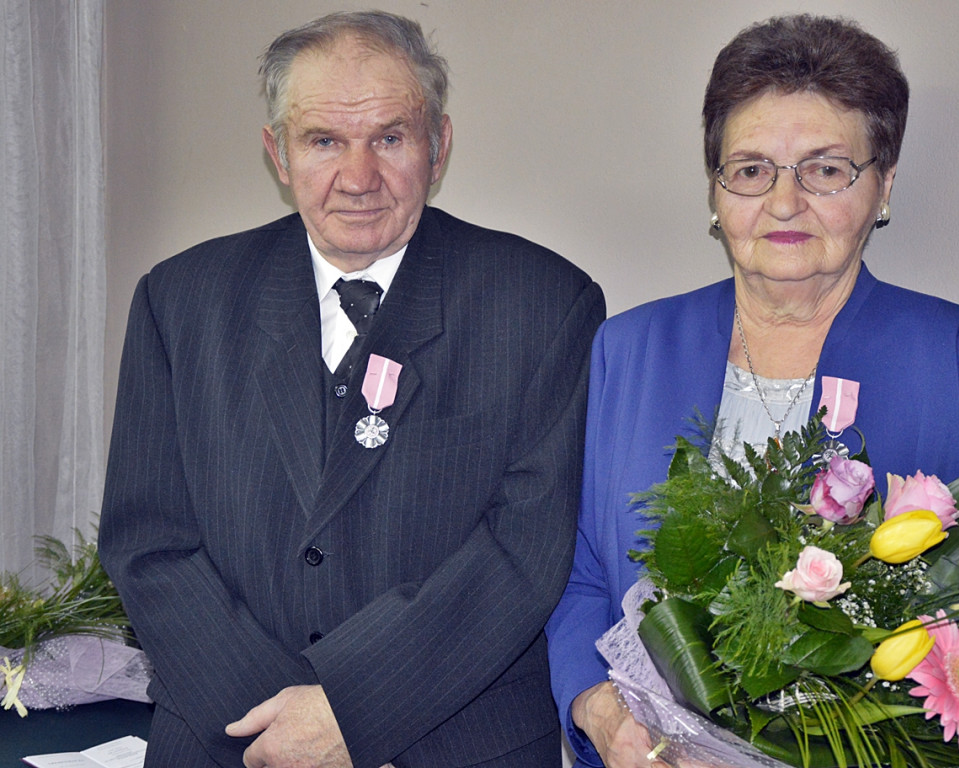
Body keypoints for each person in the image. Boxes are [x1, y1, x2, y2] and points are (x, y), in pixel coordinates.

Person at [99, 10, 604, 768]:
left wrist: (354, 712)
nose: (359, 178)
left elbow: (526, 551)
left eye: (390, 138)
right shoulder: (179, 301)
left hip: (456, 744)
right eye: (324, 140)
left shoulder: (546, 305)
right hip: (225, 739)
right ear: (279, 153)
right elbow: (148, 543)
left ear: (438, 146)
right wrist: (279, 731)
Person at [546, 14, 959, 768]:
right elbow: (579, 576)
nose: (783, 201)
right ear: (715, 190)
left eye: (825, 169)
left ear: (884, 185)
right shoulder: (628, 349)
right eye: (750, 169)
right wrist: (600, 712)